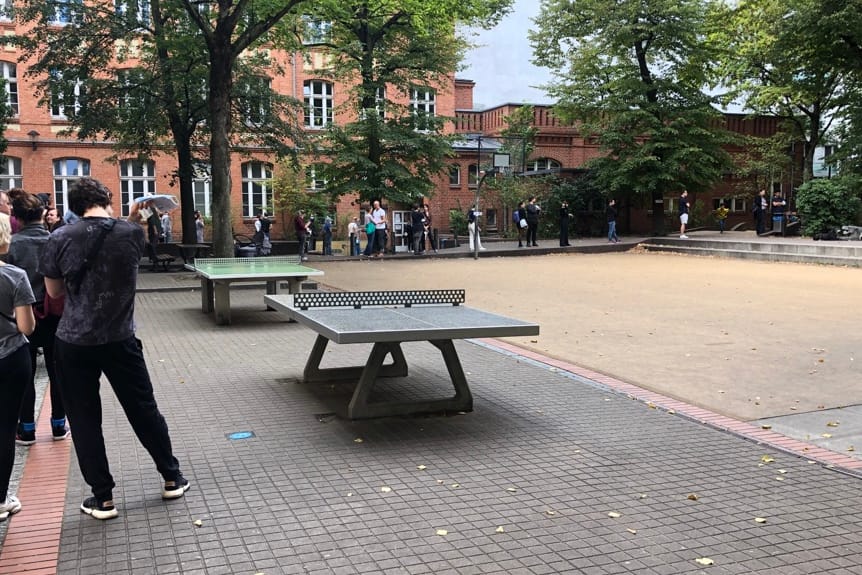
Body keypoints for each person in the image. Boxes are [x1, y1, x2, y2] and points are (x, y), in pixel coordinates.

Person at [38, 178, 190, 520]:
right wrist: (133, 218)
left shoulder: (59, 237)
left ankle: (103, 497)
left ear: (74, 206)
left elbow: (55, 292)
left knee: (85, 418)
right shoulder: (131, 233)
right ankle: (171, 477)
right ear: (108, 199)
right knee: (143, 408)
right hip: (120, 338)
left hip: (74, 341)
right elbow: (123, 233)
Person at [6, 191, 68, 445]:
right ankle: (58, 425)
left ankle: (27, 428)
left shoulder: (12, 245)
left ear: (16, 217)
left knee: (26, 373)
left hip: (23, 316)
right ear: (42, 214)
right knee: (57, 372)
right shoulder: (55, 241)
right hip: (54, 314)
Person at [0, 212, 36, 523]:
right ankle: (1, 498)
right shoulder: (14, 276)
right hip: (10, 357)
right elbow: (26, 326)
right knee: (5, 428)